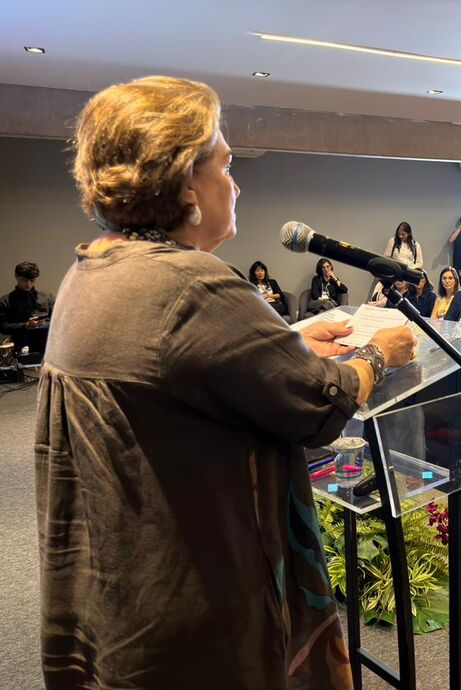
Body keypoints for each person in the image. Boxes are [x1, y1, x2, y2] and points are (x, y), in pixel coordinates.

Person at [43, 75, 417, 689]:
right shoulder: (195, 285)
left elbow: (174, 369)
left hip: (122, 587)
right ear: (186, 181)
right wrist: (378, 352)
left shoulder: (96, 268)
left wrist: (291, 342)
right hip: (198, 597)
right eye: (226, 163)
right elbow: (319, 407)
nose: (234, 183)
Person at [0, 260, 55, 354]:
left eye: (32, 280)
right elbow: (2, 327)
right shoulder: (5, 301)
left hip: (48, 349)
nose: (28, 284)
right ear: (16, 277)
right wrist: (26, 325)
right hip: (21, 348)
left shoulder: (47, 297)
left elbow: (57, 320)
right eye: (24, 280)